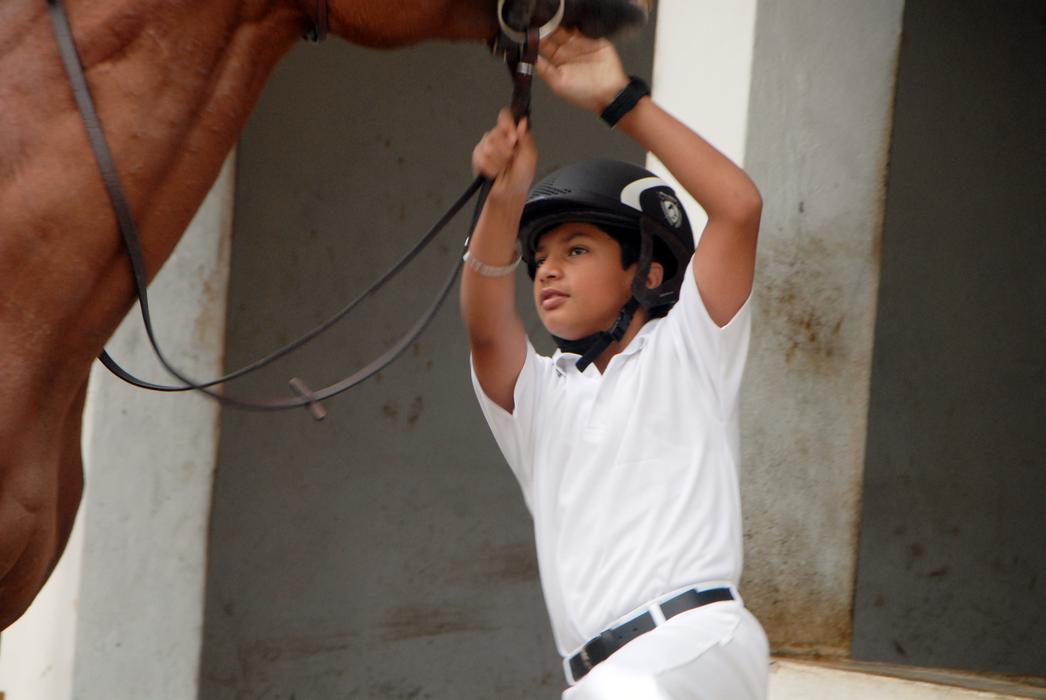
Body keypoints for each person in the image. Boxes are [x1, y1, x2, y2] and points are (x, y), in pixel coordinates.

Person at [460, 28, 768, 700]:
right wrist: (503, 198)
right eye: (540, 260)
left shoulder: (688, 345)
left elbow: (738, 207)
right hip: (602, 677)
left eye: (577, 250)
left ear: (649, 271)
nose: (547, 270)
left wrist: (618, 98)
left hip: (696, 642)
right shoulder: (543, 398)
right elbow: (485, 329)